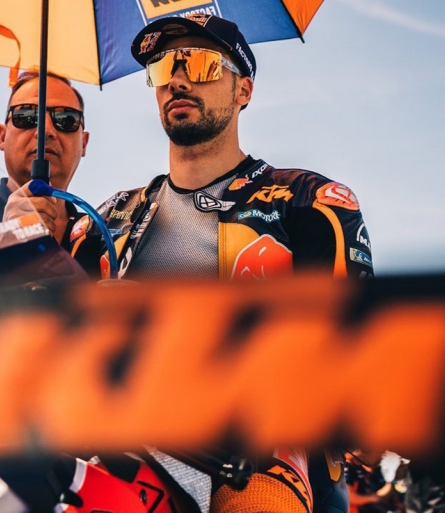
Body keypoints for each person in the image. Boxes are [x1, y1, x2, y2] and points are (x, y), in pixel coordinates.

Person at [69, 13, 374, 513]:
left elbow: (354, 354)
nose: (179, 79)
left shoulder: (310, 202)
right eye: (164, 68)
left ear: (243, 90)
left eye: (202, 64)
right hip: (119, 447)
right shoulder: (105, 219)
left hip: (257, 458)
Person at [0, 70, 90, 251]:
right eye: (26, 116)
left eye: (67, 119)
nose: (46, 131)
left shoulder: (102, 241)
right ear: (2, 137)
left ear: (83, 143)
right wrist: (4, 248)